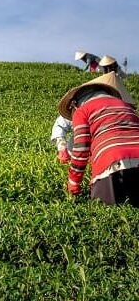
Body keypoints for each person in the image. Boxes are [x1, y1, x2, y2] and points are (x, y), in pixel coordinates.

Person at [58, 72, 139, 205]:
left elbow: (81, 149)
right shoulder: (126, 106)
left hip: (113, 162)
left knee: (105, 210)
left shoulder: (82, 110)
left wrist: (73, 185)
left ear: (74, 104)